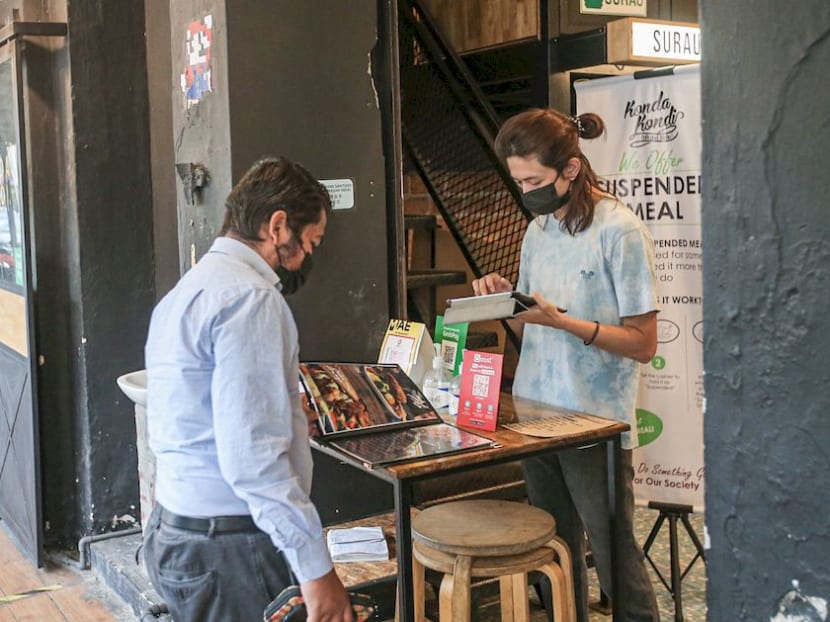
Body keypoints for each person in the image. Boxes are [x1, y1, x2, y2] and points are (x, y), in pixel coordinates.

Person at [143, 156, 353, 622]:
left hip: (174, 530)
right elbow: (254, 459)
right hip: (230, 548)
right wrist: (317, 570)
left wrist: (289, 418)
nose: (307, 259)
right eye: (310, 243)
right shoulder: (251, 299)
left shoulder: (188, 290)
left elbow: (201, 413)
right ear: (278, 226)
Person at [472, 109, 661, 622]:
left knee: (613, 550)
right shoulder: (538, 231)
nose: (526, 191)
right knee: (552, 551)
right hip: (536, 414)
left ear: (571, 169)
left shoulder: (619, 231)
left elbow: (644, 343)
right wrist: (502, 300)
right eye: (519, 182)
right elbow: (530, 325)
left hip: (594, 420)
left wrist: (565, 323)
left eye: (534, 181)